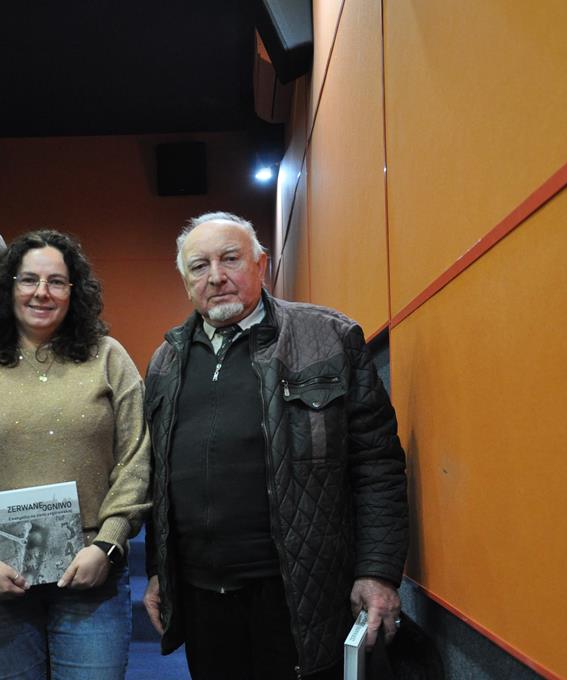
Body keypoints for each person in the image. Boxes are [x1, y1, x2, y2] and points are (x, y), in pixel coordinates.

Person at [142, 212, 409, 680]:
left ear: (261, 264)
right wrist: (157, 571)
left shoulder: (328, 337)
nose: (216, 277)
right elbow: (156, 479)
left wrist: (378, 570)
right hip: (202, 597)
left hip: (300, 594)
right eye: (199, 266)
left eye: (230, 259)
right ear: (186, 282)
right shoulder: (166, 361)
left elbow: (377, 465)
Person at [0, 229, 151, 680]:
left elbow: (136, 458)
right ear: (8, 286)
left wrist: (108, 544)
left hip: (92, 576)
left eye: (57, 281)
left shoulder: (108, 358)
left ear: (74, 292)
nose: (42, 292)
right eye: (29, 280)